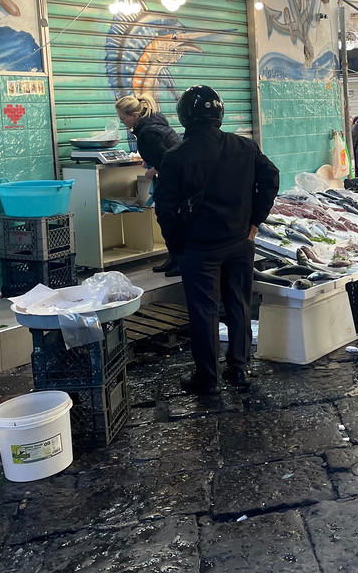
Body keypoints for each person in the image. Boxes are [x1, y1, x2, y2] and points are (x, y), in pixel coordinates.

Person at [155, 86, 280, 394]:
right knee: (239, 303)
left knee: (204, 311)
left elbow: (165, 211)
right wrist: (255, 221)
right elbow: (271, 177)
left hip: (199, 248)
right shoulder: (245, 146)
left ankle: (207, 377)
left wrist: (177, 248)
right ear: (219, 114)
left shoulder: (175, 157)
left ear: (185, 116)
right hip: (240, 241)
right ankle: (240, 369)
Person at [115, 94, 182, 275]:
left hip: (174, 182)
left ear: (134, 115)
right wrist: (150, 161)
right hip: (176, 180)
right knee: (168, 219)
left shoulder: (148, 132)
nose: (122, 122)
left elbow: (168, 159)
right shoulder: (153, 125)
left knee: (169, 220)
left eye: (123, 118)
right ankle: (174, 259)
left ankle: (179, 262)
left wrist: (153, 170)